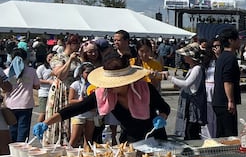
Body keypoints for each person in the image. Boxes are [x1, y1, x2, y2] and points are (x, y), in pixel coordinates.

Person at [33, 50, 170, 143]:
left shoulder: (145, 89)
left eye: (116, 83)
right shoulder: (105, 93)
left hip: (155, 136)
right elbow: (76, 109)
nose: (111, 86)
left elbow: (165, 108)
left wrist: (161, 117)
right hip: (132, 139)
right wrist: (46, 123)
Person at [170, 43, 208, 140]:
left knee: (192, 130)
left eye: (186, 55)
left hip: (193, 104)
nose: (184, 57)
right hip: (190, 103)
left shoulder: (197, 68)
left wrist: (171, 78)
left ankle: (193, 150)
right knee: (188, 129)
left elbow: (187, 83)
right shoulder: (193, 68)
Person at [4, 48, 40, 142]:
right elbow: (37, 86)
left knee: (12, 129)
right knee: (23, 131)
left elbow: (3, 88)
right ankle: (21, 151)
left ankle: (12, 151)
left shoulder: (7, 72)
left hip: (10, 104)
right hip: (26, 104)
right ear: (25, 58)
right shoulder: (31, 71)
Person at [212, 28, 241, 138]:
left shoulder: (222, 57)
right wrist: (230, 100)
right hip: (225, 102)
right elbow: (227, 81)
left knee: (221, 133)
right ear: (231, 41)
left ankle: (220, 153)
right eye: (237, 39)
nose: (240, 41)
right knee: (229, 135)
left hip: (218, 101)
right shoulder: (230, 58)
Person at [67, 62, 98, 147]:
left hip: (90, 113)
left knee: (88, 140)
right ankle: (68, 155)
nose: (89, 74)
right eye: (87, 72)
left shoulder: (94, 85)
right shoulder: (76, 84)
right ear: (81, 73)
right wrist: (80, 101)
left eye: (91, 72)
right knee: (74, 139)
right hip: (79, 114)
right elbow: (70, 101)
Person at [35, 53, 56, 124]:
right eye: (49, 57)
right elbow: (37, 80)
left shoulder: (57, 67)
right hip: (44, 93)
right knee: (43, 113)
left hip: (54, 93)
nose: (51, 59)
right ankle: (37, 131)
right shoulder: (41, 68)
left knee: (52, 114)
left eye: (53, 57)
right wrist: (48, 82)